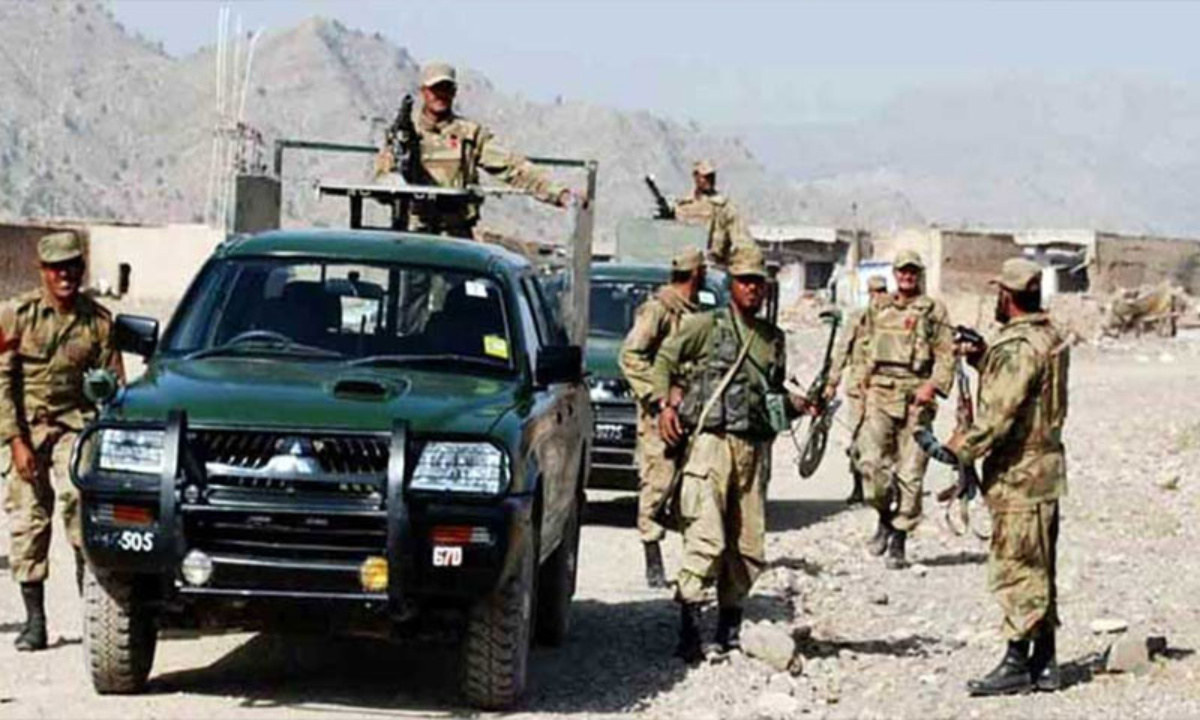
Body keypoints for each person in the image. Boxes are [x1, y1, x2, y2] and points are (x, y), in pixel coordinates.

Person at [650, 244, 806, 663]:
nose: (752, 289)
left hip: (754, 450)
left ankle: (728, 628)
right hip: (711, 445)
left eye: (758, 282)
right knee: (706, 538)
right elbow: (663, 361)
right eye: (745, 281)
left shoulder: (772, 339)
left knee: (748, 543)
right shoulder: (704, 325)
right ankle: (689, 629)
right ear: (731, 284)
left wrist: (799, 406)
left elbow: (772, 399)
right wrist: (665, 404)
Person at [940, 258, 1070, 696]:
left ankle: (1017, 662)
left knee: (1018, 566)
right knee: (1040, 564)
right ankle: (1046, 662)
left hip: (1019, 474)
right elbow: (1026, 389)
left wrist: (957, 449)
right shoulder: (1048, 336)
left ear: (1007, 296)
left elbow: (998, 415)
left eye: (999, 292)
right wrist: (983, 358)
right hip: (1044, 471)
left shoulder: (1018, 347)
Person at [1, 231, 123, 651]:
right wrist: (15, 441)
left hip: (75, 426)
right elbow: (1, 382)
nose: (65, 275)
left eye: (72, 267)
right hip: (26, 429)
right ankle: (34, 622)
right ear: (42, 272)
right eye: (56, 269)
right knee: (28, 521)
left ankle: (94, 617)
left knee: (79, 509)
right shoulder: (16, 316)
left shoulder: (98, 322)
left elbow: (114, 386)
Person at [374, 61, 574, 239]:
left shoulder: (469, 135)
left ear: (454, 92)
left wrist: (558, 193)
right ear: (424, 92)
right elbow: (383, 180)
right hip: (413, 234)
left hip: (456, 235)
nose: (441, 95)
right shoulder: (404, 136)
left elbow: (512, 167)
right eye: (435, 89)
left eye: (446, 88)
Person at [857, 250, 954, 569]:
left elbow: (946, 354)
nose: (907, 276)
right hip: (881, 393)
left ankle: (899, 537)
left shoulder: (933, 310)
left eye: (913, 271)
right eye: (902, 271)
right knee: (871, 465)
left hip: (916, 396)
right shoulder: (879, 307)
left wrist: (933, 386)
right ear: (895, 274)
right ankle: (884, 517)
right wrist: (861, 382)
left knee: (911, 474)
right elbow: (863, 346)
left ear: (919, 274)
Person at [619, 248, 707, 589]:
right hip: (661, 414)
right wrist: (659, 396)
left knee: (693, 483)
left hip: (691, 411)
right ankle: (652, 554)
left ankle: (694, 558)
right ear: (696, 273)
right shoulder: (658, 310)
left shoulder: (692, 311)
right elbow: (630, 356)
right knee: (658, 480)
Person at [824, 275, 889, 504]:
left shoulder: (892, 319)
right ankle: (858, 485)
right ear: (869, 294)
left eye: (882, 291)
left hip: (884, 387)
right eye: (875, 292)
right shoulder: (858, 318)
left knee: (885, 437)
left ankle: (883, 486)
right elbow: (842, 349)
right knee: (858, 436)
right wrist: (832, 381)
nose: (878, 297)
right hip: (859, 388)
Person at [672, 160, 750, 267]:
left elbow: (740, 239)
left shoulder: (724, 207)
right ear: (695, 177)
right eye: (705, 176)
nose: (710, 180)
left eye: (711, 176)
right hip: (685, 264)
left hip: (713, 265)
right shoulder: (683, 206)